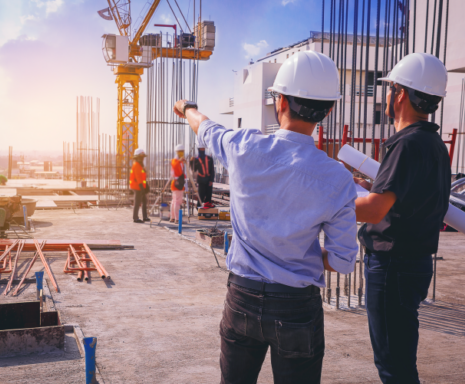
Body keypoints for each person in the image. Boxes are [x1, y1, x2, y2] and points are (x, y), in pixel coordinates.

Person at [173, 51, 358, 383]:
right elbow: (343, 261)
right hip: (297, 307)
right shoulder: (338, 179)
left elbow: (206, 127)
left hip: (242, 297)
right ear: (327, 110)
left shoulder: (244, 147)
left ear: (281, 101)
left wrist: (187, 108)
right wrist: (298, 254)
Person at [353, 52, 451, 384]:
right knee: (399, 359)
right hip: (413, 263)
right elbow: (408, 199)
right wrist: (369, 187)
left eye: (391, 88)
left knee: (393, 365)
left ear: (402, 93)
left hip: (393, 265)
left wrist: (327, 201)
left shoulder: (406, 144)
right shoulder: (432, 143)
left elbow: (373, 210)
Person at [130, 148, 150, 223]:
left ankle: (145, 217)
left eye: (143, 157)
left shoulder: (140, 165)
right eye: (141, 157)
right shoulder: (137, 165)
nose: (142, 158)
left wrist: (146, 186)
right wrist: (142, 188)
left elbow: (143, 177)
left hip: (141, 186)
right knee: (137, 202)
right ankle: (135, 218)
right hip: (137, 186)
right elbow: (138, 178)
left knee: (144, 201)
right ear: (137, 157)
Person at [169, 144, 186, 224]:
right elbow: (177, 170)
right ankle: (177, 219)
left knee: (174, 201)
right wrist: (180, 161)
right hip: (177, 183)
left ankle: (173, 218)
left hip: (176, 183)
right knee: (177, 202)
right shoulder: (176, 161)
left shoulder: (178, 161)